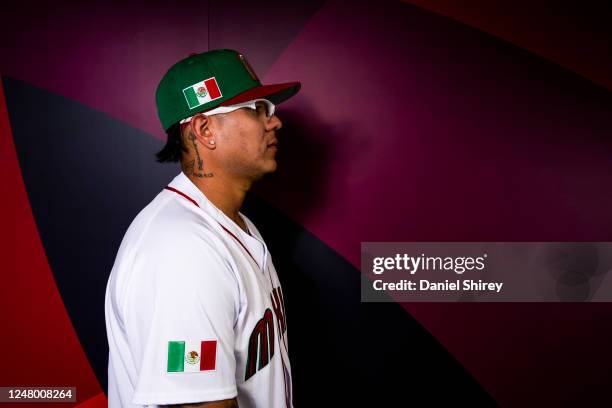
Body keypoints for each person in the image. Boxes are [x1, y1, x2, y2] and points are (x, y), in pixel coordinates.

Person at [105, 49, 300, 407]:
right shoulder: (184, 250)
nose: (274, 122)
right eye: (258, 109)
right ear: (205, 129)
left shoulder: (231, 223)